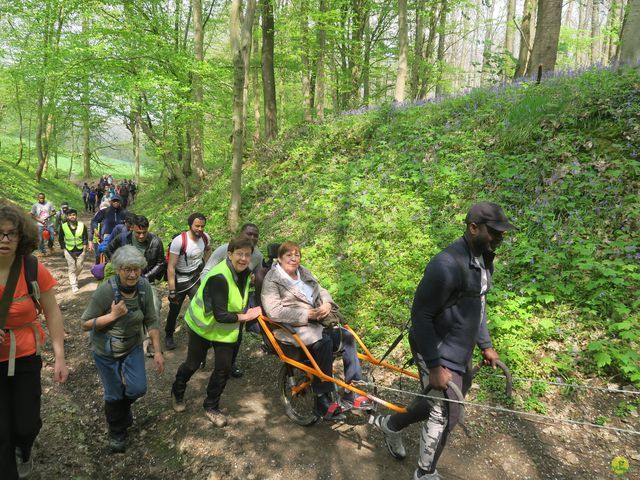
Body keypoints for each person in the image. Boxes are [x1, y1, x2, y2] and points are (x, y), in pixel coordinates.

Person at [370, 202, 514, 480]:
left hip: (460, 349)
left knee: (437, 402)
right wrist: (434, 366)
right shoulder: (445, 265)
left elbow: (477, 307)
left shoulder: (484, 260)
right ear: (473, 228)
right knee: (447, 414)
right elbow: (420, 316)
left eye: (502, 233)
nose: (499, 238)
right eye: (494, 232)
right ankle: (425, 473)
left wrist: (485, 344)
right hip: (435, 347)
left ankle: (391, 425)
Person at [261, 241, 372, 420]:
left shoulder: (303, 271)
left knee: (348, 338)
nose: (294, 258)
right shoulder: (272, 279)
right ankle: (322, 398)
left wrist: (327, 304)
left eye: (297, 254)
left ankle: (354, 391)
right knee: (324, 341)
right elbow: (274, 311)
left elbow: (320, 290)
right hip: (293, 326)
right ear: (280, 258)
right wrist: (307, 314)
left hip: (317, 322)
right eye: (289, 255)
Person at [0, 201, 68, 479]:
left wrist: (60, 357)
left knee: (27, 424)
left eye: (10, 234)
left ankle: (24, 447)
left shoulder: (31, 268)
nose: (4, 240)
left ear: (21, 237)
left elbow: (52, 313)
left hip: (26, 355)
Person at [80, 245, 164, 453]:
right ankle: (117, 432)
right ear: (118, 269)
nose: (132, 274)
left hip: (132, 345)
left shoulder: (144, 288)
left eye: (136, 268)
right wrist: (112, 316)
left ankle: (121, 410)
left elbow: (152, 320)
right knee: (114, 392)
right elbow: (85, 323)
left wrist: (158, 351)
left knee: (138, 388)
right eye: (127, 269)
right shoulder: (106, 291)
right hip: (105, 350)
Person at [170, 236, 261, 427]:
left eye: (247, 255)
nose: (243, 258)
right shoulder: (220, 277)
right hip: (202, 327)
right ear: (229, 254)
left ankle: (211, 406)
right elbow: (221, 315)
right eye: (239, 254)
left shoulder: (246, 272)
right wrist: (247, 316)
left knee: (223, 369)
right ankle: (177, 391)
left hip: (224, 331)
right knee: (193, 364)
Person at [200, 223, 263, 376]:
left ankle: (230, 364)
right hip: (216, 297)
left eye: (255, 235)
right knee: (209, 331)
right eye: (249, 234)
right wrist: (210, 294)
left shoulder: (258, 256)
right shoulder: (224, 249)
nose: (252, 237)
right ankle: (200, 355)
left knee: (237, 335)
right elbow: (207, 271)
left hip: (237, 301)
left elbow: (256, 278)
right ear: (241, 234)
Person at [106, 215, 166, 355]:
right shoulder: (123, 238)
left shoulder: (155, 241)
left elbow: (161, 262)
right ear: (132, 228)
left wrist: (146, 276)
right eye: (138, 233)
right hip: (124, 280)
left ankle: (150, 342)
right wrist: (119, 266)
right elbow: (109, 249)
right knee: (119, 306)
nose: (141, 236)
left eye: (144, 232)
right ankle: (120, 339)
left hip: (146, 280)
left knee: (155, 305)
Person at [164, 213, 211, 351]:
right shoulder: (179, 241)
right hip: (180, 281)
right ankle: (168, 334)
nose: (200, 229)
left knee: (201, 306)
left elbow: (208, 249)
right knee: (174, 309)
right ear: (190, 225)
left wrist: (206, 266)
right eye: (197, 226)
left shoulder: (205, 238)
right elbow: (171, 267)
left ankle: (201, 337)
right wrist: (172, 290)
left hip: (196, 277)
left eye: (202, 226)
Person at [58, 208, 88, 294]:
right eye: (70, 215)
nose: (72, 216)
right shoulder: (63, 226)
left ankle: (74, 277)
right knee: (71, 267)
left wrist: (85, 246)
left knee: (79, 266)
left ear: (76, 216)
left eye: (74, 215)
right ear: (67, 216)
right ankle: (74, 284)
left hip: (80, 249)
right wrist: (64, 248)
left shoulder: (82, 225)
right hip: (68, 250)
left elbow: (85, 237)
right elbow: (60, 239)